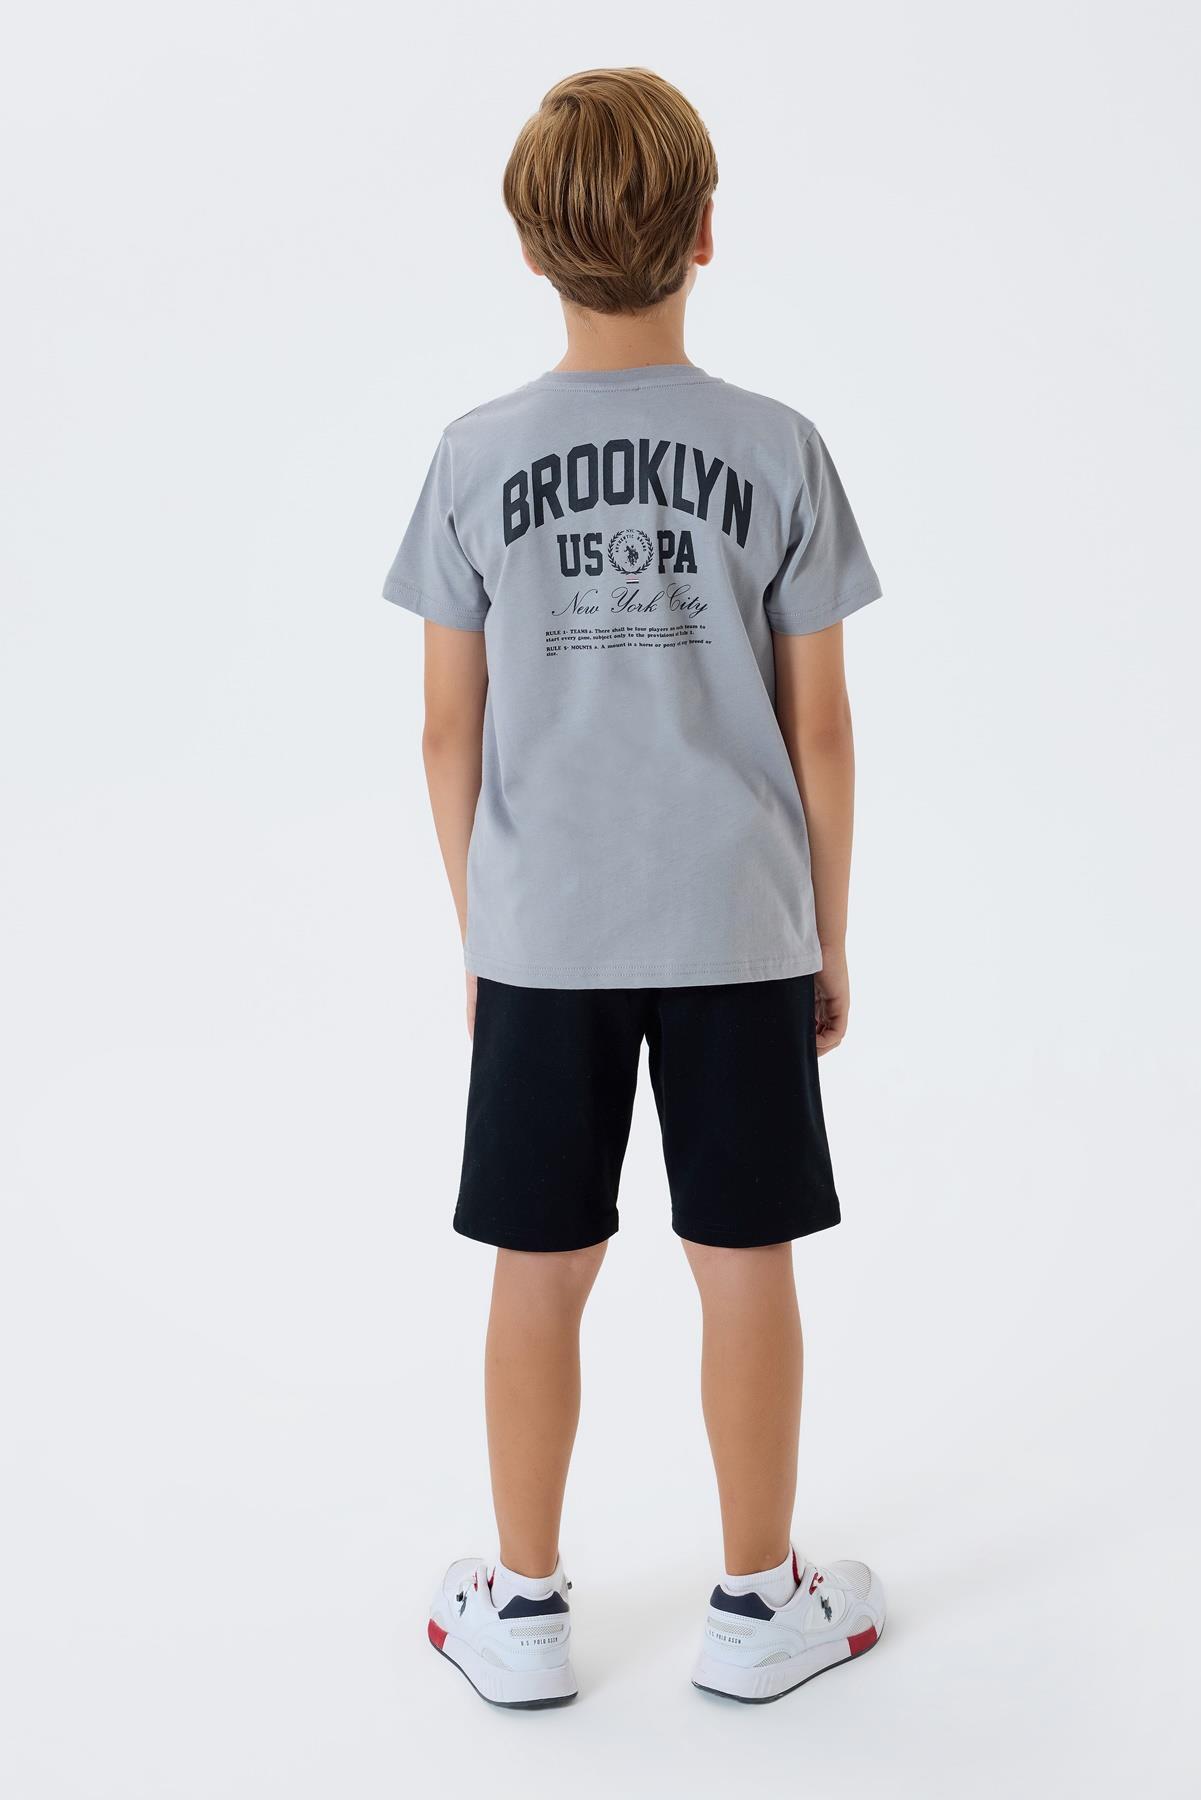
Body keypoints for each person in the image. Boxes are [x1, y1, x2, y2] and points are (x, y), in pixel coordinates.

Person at [384, 67, 886, 1708]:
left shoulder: (472, 457)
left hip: (544, 934)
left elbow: (444, 732)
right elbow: (821, 728)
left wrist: (484, 931)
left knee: (539, 1265)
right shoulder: (776, 447)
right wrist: (822, 932)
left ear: (530, 248)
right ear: (706, 232)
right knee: (743, 1257)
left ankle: (521, 1607)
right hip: (738, 923)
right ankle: (757, 1605)